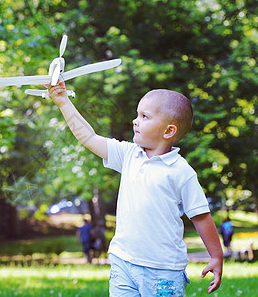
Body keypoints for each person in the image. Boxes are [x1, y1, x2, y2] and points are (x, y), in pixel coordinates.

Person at [46, 82, 223, 295]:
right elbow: (89, 138)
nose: (135, 121)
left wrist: (216, 256)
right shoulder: (129, 154)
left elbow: (201, 216)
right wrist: (64, 102)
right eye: (137, 115)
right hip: (123, 262)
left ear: (168, 131)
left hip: (163, 271)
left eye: (144, 117)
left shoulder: (181, 172)